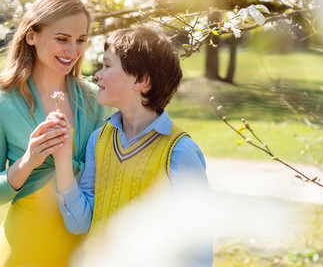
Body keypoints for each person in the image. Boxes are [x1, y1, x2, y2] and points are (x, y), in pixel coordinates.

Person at [49, 26, 213, 266]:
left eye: (107, 65)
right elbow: (80, 223)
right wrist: (62, 160)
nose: (97, 75)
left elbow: (198, 251)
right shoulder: (99, 139)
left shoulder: (180, 152)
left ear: (141, 80)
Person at [0, 0, 108, 266]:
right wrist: (28, 161)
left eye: (80, 40)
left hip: (81, 255)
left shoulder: (95, 101)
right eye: (62, 39)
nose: (72, 51)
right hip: (22, 252)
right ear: (31, 35)